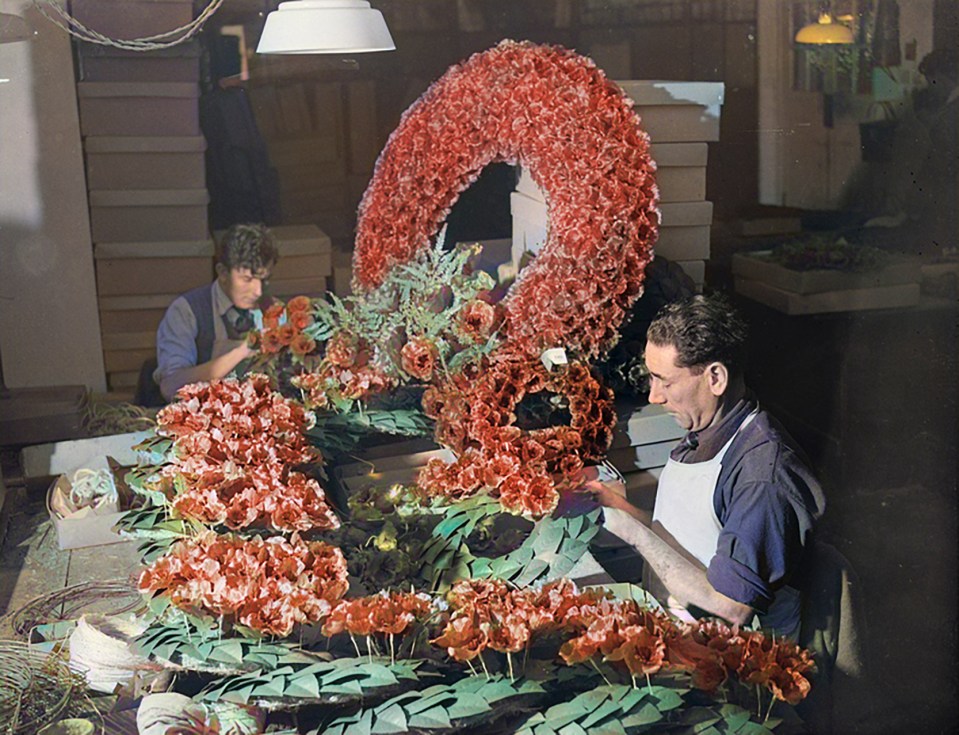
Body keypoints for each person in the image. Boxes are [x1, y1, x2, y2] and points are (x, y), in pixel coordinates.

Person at [586, 294, 825, 640]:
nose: (654, 396)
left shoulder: (762, 474)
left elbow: (732, 606)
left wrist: (632, 531)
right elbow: (688, 539)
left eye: (665, 381)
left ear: (715, 378)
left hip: (737, 662)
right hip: (682, 630)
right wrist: (611, 504)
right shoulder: (705, 430)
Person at [153, 223, 278, 402]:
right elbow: (171, 386)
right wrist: (242, 352)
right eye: (247, 279)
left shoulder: (272, 309)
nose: (258, 291)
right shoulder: (186, 311)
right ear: (222, 272)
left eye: (264, 280)